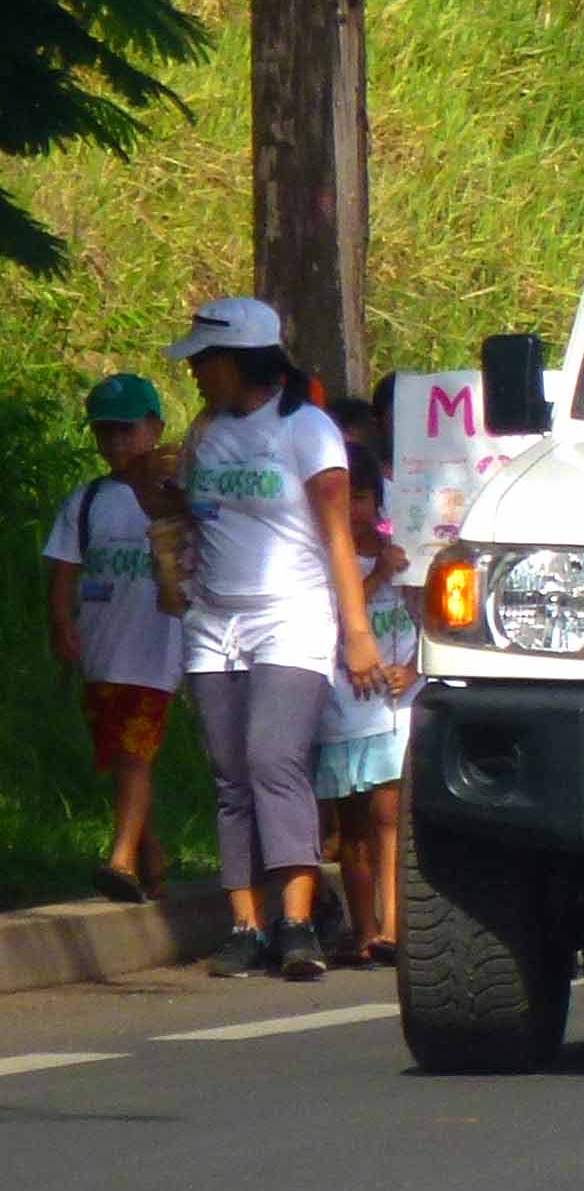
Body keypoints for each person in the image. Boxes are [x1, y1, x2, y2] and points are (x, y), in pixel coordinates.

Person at [168, 297, 380, 981]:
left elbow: (338, 535)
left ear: (241, 361)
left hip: (292, 614)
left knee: (272, 760)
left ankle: (296, 920)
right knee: (230, 774)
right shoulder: (205, 432)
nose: (196, 373)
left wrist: (357, 633)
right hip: (213, 621)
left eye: (206, 360)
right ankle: (246, 924)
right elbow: (189, 515)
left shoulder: (306, 430)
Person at [44, 373, 180, 904]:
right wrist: (61, 622)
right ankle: (149, 855)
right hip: (102, 651)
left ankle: (119, 859)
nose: (117, 444)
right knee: (118, 754)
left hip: (155, 652)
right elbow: (64, 569)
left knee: (134, 753)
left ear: (155, 429)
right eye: (105, 433)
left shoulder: (175, 500)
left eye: (127, 430)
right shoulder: (89, 500)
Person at [318, 452, 415, 968]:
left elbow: (435, 617)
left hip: (395, 706)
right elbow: (332, 618)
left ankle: (394, 926)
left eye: (361, 496)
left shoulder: (405, 555)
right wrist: (376, 577)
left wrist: (415, 670)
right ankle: (363, 929)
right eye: (346, 496)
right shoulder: (324, 560)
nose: (353, 508)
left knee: (389, 816)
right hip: (342, 704)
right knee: (353, 826)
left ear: (377, 500)